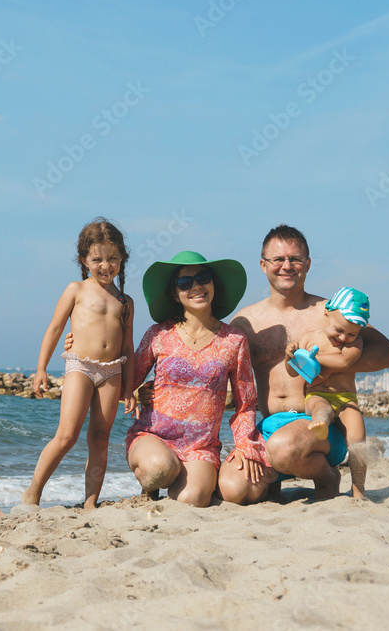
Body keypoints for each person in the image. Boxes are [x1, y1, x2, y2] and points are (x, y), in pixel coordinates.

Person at [226, 225, 389, 499]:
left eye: (295, 259)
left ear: (307, 264)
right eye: (278, 260)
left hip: (321, 425)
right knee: (233, 490)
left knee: (283, 448)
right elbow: (218, 375)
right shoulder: (245, 322)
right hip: (270, 426)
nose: (287, 266)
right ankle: (275, 476)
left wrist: (337, 362)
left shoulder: (331, 313)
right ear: (263, 265)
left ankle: (327, 477)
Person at [124, 251, 273, 507]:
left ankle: (190, 480)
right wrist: (137, 393)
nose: (196, 286)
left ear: (214, 284)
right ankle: (152, 485)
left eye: (203, 278)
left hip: (200, 448)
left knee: (191, 501)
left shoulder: (234, 341)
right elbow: (127, 379)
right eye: (185, 283)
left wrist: (245, 445)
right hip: (153, 436)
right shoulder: (159, 334)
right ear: (174, 293)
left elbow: (246, 404)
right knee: (159, 470)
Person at [22, 218, 136, 510]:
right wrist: (41, 369)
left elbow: (128, 347)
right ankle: (33, 492)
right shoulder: (76, 289)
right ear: (84, 260)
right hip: (80, 367)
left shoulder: (125, 302)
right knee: (67, 435)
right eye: (97, 259)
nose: (105, 265)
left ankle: (90, 501)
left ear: (122, 258)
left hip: (112, 371)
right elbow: (55, 329)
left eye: (112, 258)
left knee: (100, 438)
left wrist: (130, 388)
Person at [286, 287, 372, 499]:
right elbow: (293, 371)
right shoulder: (308, 338)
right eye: (339, 330)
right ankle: (321, 423)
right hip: (317, 394)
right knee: (320, 408)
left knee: (358, 438)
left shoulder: (356, 343)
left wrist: (311, 358)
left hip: (346, 399)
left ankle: (359, 490)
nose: (344, 337)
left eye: (351, 333)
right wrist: (290, 356)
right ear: (326, 314)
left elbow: (344, 361)